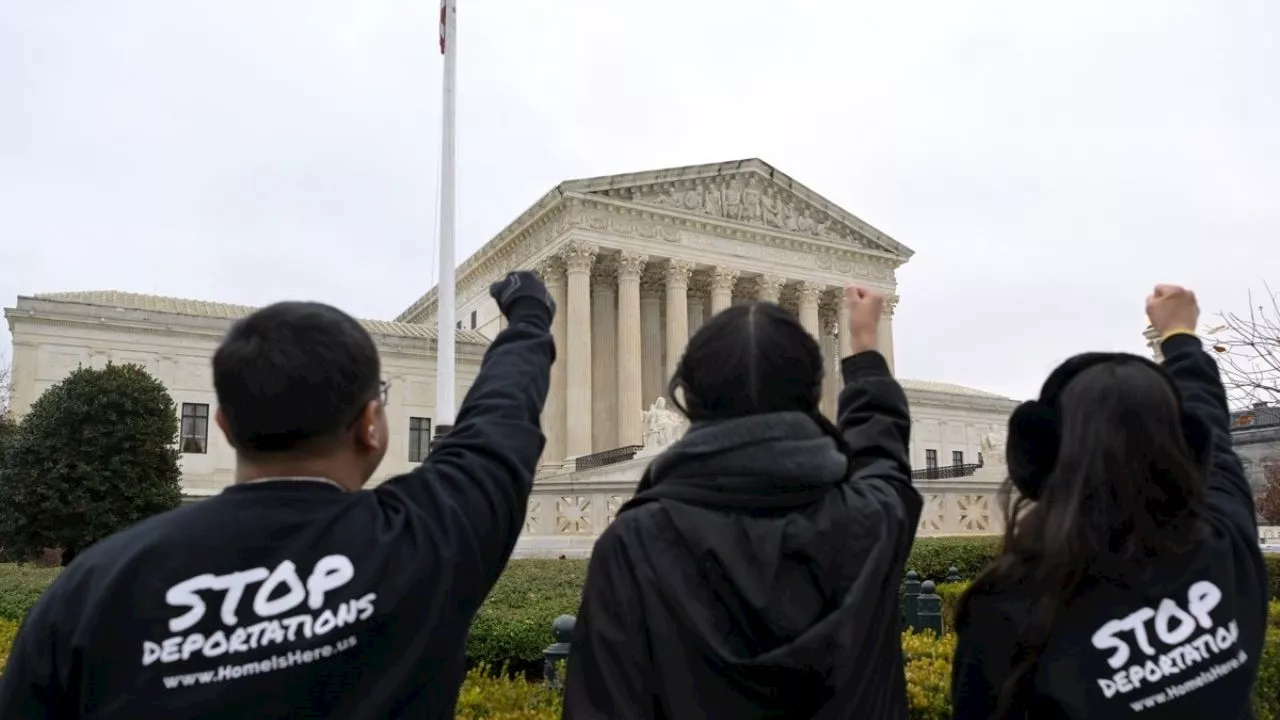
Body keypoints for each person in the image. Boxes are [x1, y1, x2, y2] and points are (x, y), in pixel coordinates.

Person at [0, 271, 557, 719]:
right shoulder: (426, 541)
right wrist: (528, 318)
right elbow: (498, 420)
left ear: (221, 425)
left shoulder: (92, 587)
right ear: (371, 425)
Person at [563, 287, 922, 720]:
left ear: (688, 398)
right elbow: (882, 449)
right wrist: (865, 349)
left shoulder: (632, 546)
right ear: (811, 396)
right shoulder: (870, 523)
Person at [951, 284, 1268, 718]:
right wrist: (1179, 334)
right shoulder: (1225, 546)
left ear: (1039, 461)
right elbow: (1210, 421)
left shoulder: (1007, 610)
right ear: (1186, 450)